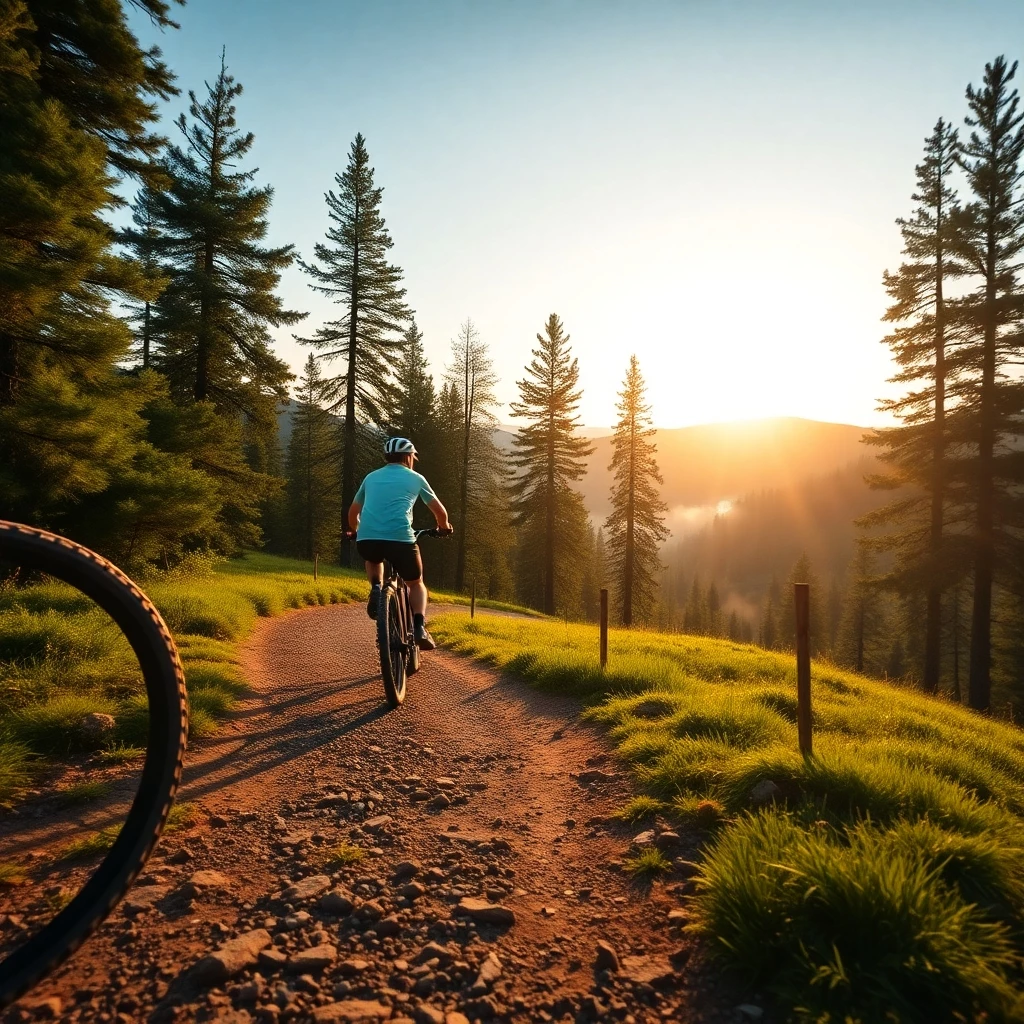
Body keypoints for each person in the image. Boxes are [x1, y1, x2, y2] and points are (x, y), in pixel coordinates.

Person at [348, 437, 452, 650]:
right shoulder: (416, 478)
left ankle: (376, 587)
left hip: (368, 539)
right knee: (416, 582)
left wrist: (357, 531)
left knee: (373, 557)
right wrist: (443, 527)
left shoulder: (371, 477)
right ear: (409, 456)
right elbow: (440, 511)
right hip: (401, 539)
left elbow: (353, 512)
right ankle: (420, 627)